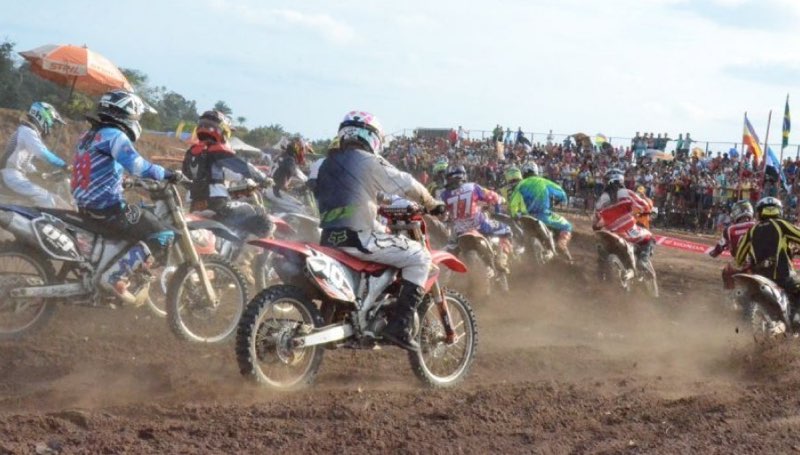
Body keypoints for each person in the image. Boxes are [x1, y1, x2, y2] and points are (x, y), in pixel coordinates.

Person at [315, 111, 445, 352]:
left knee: (383, 235)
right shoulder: (367, 160)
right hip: (357, 236)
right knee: (420, 257)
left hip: (329, 238)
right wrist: (430, 203)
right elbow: (406, 183)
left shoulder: (327, 163)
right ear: (370, 136)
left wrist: (381, 205)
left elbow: (364, 193)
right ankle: (400, 325)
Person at [71, 90, 178, 304]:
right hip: (107, 209)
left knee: (140, 215)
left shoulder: (89, 135)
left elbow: (97, 169)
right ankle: (115, 276)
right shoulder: (115, 135)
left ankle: (113, 267)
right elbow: (137, 165)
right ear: (128, 114)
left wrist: (123, 181)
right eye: (138, 117)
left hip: (85, 205)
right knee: (163, 233)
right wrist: (167, 173)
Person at [182, 110, 273, 239]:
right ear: (222, 129)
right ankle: (241, 246)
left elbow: (187, 174)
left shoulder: (191, 151)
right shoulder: (217, 149)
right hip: (216, 201)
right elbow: (243, 166)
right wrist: (263, 178)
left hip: (194, 201)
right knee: (249, 210)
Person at [440, 164, 512, 273]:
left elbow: (442, 212)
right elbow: (492, 196)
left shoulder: (444, 194)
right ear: (462, 176)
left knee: (449, 254)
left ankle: (448, 278)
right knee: (507, 230)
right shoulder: (472, 187)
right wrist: (500, 199)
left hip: (458, 231)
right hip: (480, 225)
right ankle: (501, 261)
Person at [735, 197, 800, 309]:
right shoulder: (781, 224)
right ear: (779, 210)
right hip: (783, 276)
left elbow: (739, 258)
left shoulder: (752, 230)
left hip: (758, 275)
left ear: (759, 212)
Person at [1, 102, 69, 207]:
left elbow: (24, 163)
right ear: (44, 116)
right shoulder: (28, 132)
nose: (51, 125)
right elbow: (43, 154)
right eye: (51, 121)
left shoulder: (26, 131)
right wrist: (64, 165)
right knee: (47, 199)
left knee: (48, 195)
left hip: (13, 174)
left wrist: (39, 174)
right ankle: (37, 223)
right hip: (11, 175)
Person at [593, 168, 656, 278]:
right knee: (649, 238)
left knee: (602, 250)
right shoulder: (626, 193)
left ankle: (601, 273)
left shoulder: (601, 198)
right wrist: (636, 210)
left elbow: (595, 224)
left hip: (610, 232)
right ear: (620, 180)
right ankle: (643, 261)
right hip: (628, 230)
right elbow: (644, 206)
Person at [508, 162, 573, 261]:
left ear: (524, 172)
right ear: (536, 170)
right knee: (567, 226)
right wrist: (558, 200)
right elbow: (562, 194)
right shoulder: (544, 181)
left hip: (526, 217)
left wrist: (515, 215)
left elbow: (513, 205)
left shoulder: (520, 185)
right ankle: (561, 245)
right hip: (543, 215)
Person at [709, 200, 755, 290]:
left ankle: (729, 295)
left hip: (740, 263)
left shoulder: (729, 230)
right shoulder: (758, 225)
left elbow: (719, 247)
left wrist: (714, 253)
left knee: (726, 273)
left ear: (736, 212)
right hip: (757, 263)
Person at [268, 135, 310, 214]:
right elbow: (285, 173)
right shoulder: (290, 160)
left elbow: (295, 174)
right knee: (301, 209)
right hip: (275, 191)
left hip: (269, 187)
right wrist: (285, 186)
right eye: (303, 150)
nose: (303, 153)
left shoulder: (281, 157)